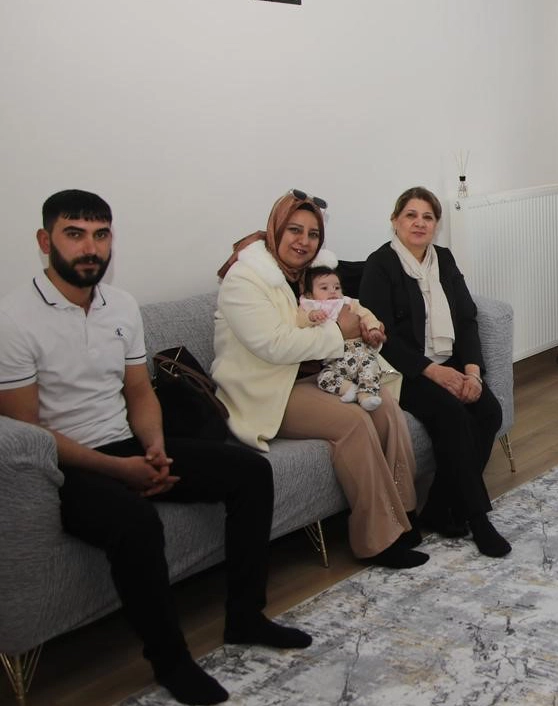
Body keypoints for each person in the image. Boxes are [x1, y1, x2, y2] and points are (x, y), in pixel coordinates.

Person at [0, 190, 311, 706]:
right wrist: (120, 470)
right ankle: (171, 661)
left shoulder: (120, 306)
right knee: (137, 523)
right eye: (74, 234)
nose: (90, 248)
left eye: (101, 235)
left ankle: (245, 617)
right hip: (64, 467)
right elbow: (27, 431)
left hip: (128, 443)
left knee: (251, 472)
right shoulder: (14, 319)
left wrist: (156, 450)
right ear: (45, 241)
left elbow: (140, 392)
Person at [212, 190, 426, 570]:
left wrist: (365, 326)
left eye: (313, 234)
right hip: (267, 390)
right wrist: (339, 333)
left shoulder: (304, 277)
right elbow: (274, 346)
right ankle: (377, 539)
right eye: (294, 230)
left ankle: (403, 516)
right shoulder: (244, 280)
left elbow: (345, 310)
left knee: (386, 408)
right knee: (354, 422)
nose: (304, 241)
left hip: (313, 376)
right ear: (275, 230)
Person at [360, 186, 511, 558]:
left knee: (489, 411)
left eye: (427, 217)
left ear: (436, 225)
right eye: (411, 215)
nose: (419, 223)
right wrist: (432, 372)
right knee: (452, 413)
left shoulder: (443, 258)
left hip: (448, 361)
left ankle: (440, 506)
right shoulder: (380, 265)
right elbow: (382, 338)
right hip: (403, 371)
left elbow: (467, 317)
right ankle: (477, 517)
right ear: (395, 221)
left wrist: (472, 372)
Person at [298, 261, 386, 412]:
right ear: (309, 294)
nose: (332, 292)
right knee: (324, 379)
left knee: (371, 368)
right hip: (333, 361)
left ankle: (366, 396)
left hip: (360, 353)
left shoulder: (348, 303)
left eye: (337, 287)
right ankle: (349, 390)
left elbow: (367, 315)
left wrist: (373, 329)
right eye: (324, 288)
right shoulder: (309, 306)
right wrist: (310, 317)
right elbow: (299, 321)